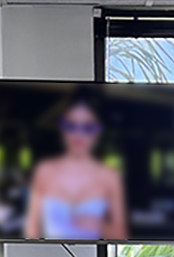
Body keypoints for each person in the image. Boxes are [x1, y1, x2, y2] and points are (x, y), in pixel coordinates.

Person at [23, 96, 127, 240]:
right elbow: (32, 230)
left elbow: (121, 235)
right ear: (61, 129)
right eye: (70, 126)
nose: (78, 134)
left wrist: (99, 225)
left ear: (98, 131)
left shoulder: (110, 176)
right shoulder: (44, 170)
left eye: (88, 128)